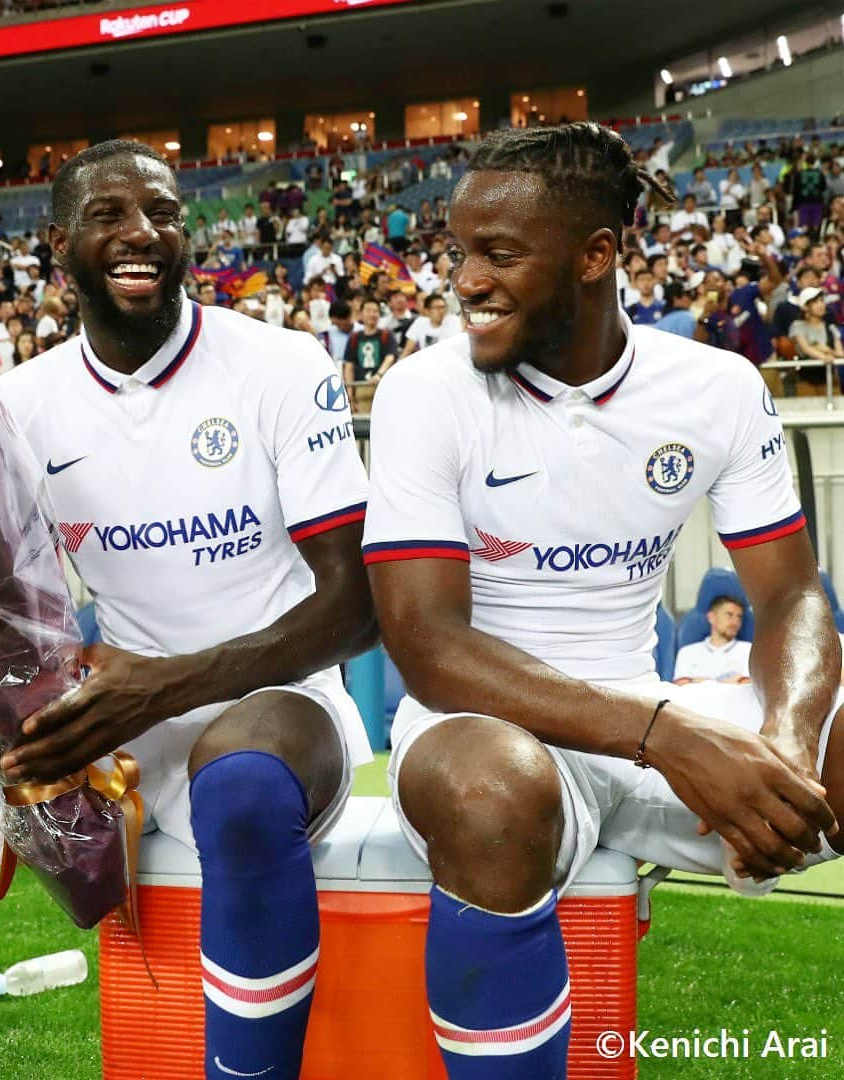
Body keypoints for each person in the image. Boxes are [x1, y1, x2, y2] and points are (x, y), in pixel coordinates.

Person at [0, 139, 377, 1080]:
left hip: (274, 701)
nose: (143, 234)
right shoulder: (10, 404)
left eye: (164, 214)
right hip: (111, 712)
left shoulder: (282, 363)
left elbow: (356, 605)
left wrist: (166, 690)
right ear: (58, 245)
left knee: (243, 791)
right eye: (109, 216)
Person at [363, 123, 842, 1079]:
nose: (465, 280)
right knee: (493, 792)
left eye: (499, 253)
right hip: (488, 728)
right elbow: (426, 645)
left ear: (596, 256)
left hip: (654, 720)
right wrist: (670, 735)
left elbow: (792, 598)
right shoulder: (423, 392)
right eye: (458, 252)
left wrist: (785, 740)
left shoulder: (717, 386)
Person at [673, 596, 752, 685]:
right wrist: (731, 682)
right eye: (729, 615)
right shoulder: (687, 652)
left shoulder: (749, 650)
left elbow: (748, 685)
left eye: (739, 617)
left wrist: (698, 682)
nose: (735, 622)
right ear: (711, 617)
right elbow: (681, 686)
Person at [342, 298, 396, 414]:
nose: (372, 314)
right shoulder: (354, 338)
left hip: (383, 387)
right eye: (368, 310)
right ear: (361, 314)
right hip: (362, 388)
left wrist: (379, 374)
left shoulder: (386, 335)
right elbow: (349, 367)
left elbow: (390, 357)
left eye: (375, 311)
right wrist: (350, 396)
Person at [400, 293, 461, 358]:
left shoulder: (453, 321)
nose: (441, 311)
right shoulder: (420, 322)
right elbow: (407, 350)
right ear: (427, 311)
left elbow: (456, 350)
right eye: (437, 308)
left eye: (443, 307)